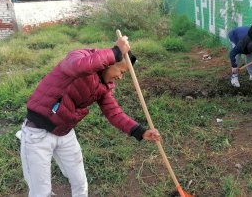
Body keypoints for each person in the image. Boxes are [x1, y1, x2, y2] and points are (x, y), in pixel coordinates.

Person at [19, 35, 161, 197]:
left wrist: (140, 131)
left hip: (65, 132)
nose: (120, 77)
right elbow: (78, 67)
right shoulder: (80, 56)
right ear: (110, 62)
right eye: (121, 71)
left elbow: (114, 112)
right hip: (37, 134)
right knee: (41, 192)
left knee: (80, 183)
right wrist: (115, 51)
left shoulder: (103, 86)